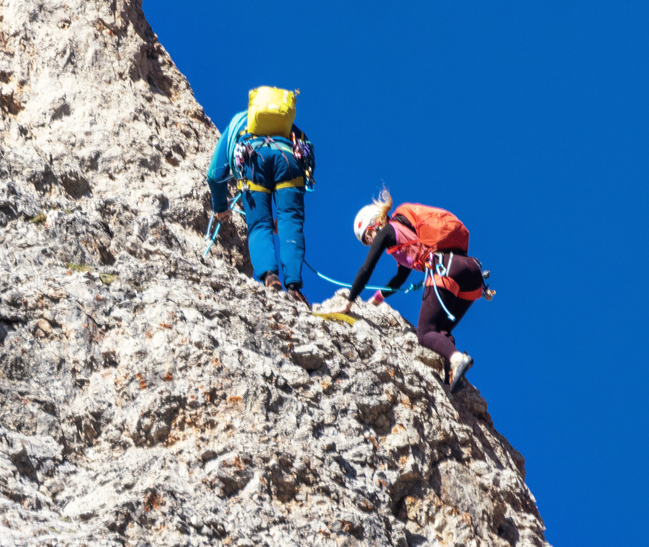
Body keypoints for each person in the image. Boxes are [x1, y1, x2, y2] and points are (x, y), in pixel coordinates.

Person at [342, 190, 483, 388]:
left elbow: (366, 268)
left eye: (368, 238)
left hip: (446, 269)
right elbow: (399, 279)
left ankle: (457, 359)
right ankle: (451, 372)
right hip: (471, 273)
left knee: (425, 333)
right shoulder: (405, 238)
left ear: (373, 226)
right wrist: (375, 300)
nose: (370, 243)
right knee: (441, 330)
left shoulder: (388, 231)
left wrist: (349, 302)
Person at [205, 87, 316, 299]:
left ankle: (270, 277)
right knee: (290, 221)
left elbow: (215, 174)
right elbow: (308, 150)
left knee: (259, 225)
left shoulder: (237, 123)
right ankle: (294, 288)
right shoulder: (286, 125)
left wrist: (221, 207)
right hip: (288, 158)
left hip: (253, 159)